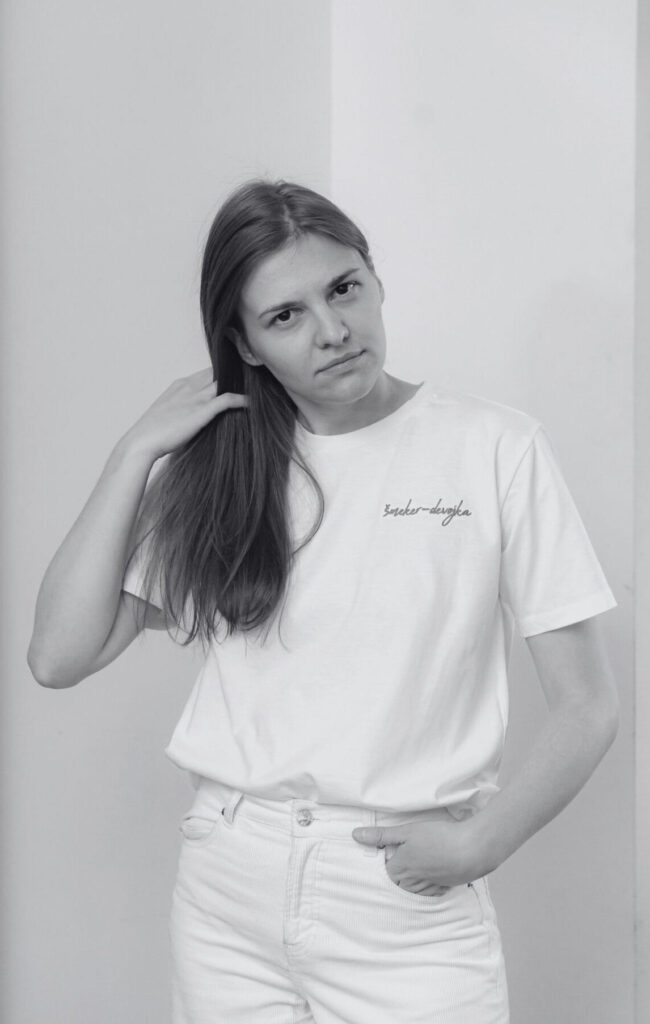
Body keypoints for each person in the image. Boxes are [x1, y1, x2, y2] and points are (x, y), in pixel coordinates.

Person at [28, 179, 620, 1024]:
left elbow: (589, 704)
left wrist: (479, 844)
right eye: (285, 315)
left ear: (374, 279)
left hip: (398, 895)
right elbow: (58, 654)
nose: (333, 331)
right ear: (247, 345)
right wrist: (136, 451)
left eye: (343, 289)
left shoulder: (493, 447)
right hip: (228, 884)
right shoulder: (224, 471)